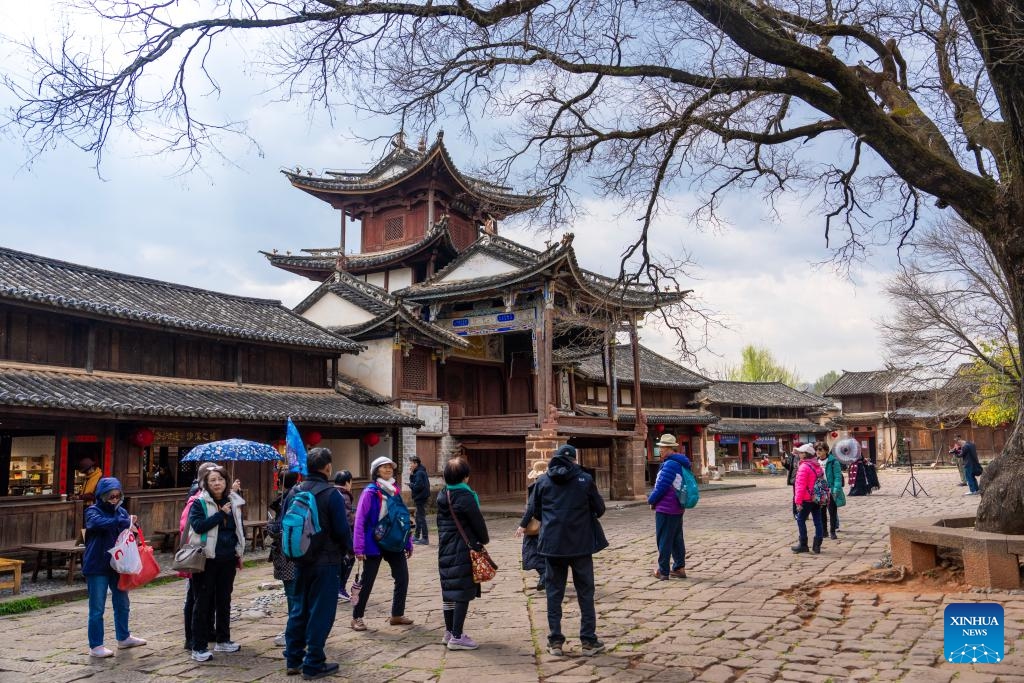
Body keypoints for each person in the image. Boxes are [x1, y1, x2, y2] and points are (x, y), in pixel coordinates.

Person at [530, 444, 608, 658]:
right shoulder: (584, 480)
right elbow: (600, 509)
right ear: (574, 459)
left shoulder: (542, 481)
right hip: (581, 544)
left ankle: (555, 641)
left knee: (554, 593)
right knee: (585, 592)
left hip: (553, 546)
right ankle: (589, 641)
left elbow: (536, 511)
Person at [283, 447, 353, 680]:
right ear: (327, 467)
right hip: (326, 561)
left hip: (299, 559)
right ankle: (314, 663)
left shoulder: (294, 491)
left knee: (298, 608)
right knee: (320, 612)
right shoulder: (331, 494)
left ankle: (293, 658)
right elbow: (342, 530)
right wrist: (349, 549)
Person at [83, 477, 147, 657]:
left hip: (118, 565)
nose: (114, 498)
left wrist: (133, 525)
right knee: (97, 608)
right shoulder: (92, 511)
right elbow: (97, 524)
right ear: (101, 495)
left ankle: (124, 637)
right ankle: (96, 646)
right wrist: (124, 522)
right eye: (110, 495)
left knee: (122, 602)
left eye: (117, 495)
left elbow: (127, 532)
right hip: (97, 565)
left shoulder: (122, 512)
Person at [188, 465, 246, 662]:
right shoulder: (200, 503)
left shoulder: (234, 501)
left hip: (228, 557)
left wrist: (239, 551)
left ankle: (223, 639)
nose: (217, 483)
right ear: (206, 483)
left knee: (224, 600)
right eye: (212, 480)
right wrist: (220, 514)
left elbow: (238, 528)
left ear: (226, 481)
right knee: (202, 602)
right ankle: (199, 646)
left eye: (220, 479)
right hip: (207, 558)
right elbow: (197, 526)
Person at [351, 456, 414, 631]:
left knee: (402, 577)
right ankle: (357, 617)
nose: (388, 469)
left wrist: (408, 542)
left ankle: (397, 614)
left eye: (390, 467)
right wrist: (359, 547)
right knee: (367, 580)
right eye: (384, 467)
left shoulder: (395, 490)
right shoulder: (370, 492)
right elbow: (360, 520)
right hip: (373, 541)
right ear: (376, 471)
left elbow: (402, 518)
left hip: (394, 540)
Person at [436, 457, 490, 651]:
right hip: (462, 549)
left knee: (449, 592)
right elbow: (478, 523)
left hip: (445, 548)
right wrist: (483, 540)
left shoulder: (443, 494)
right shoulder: (465, 496)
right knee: (462, 593)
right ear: (465, 477)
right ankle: (457, 636)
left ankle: (449, 632)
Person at [180, 462, 217, 652]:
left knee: (208, 596)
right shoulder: (196, 500)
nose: (217, 481)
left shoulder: (214, 498)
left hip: (210, 555)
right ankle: (191, 637)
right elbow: (188, 528)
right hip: (197, 554)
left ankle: (208, 630)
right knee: (194, 598)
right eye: (214, 478)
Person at [646, 433, 688, 580]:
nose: (660, 450)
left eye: (662, 447)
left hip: (666, 507)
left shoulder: (670, 464)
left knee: (664, 539)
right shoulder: (679, 463)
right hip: (676, 507)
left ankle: (663, 570)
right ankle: (679, 567)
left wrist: (651, 500)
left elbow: (661, 486)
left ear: (670, 448)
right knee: (676, 538)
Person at [268, 470, 300, 647]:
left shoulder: (289, 498)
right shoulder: (295, 495)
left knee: (293, 594)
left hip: (287, 552)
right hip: (296, 552)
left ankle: (293, 631)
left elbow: (281, 528)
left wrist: (271, 526)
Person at [515, 459, 549, 591]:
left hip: (537, 525)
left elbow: (531, 508)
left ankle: (545, 575)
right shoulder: (551, 484)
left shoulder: (537, 486)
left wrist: (522, 525)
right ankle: (546, 576)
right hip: (550, 523)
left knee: (532, 552)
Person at [792, 445, 825, 554]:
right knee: (818, 521)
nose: (799, 455)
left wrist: (798, 502)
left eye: (801, 453)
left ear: (805, 454)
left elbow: (800, 486)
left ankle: (803, 544)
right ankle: (817, 545)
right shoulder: (817, 465)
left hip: (806, 499)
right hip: (816, 498)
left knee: (800, 519)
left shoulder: (804, 467)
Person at [333, 469, 357, 600]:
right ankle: (340, 588)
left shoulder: (331, 492)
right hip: (341, 536)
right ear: (348, 482)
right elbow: (347, 520)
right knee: (349, 559)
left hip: (330, 536)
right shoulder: (344, 495)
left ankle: (336, 588)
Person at [815, 443, 843, 540]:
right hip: (820, 490)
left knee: (832, 512)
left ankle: (832, 531)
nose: (818, 452)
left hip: (830, 490)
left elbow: (838, 477)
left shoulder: (833, 461)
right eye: (816, 450)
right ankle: (824, 531)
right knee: (821, 512)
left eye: (820, 449)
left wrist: (836, 489)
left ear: (826, 450)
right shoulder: (815, 462)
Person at [408, 454, 431, 545]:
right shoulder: (418, 472)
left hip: (421, 497)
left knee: (421, 517)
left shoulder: (420, 472)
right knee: (418, 516)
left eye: (411, 463)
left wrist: (410, 485)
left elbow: (418, 486)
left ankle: (425, 538)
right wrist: (411, 474)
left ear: (416, 464)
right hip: (420, 496)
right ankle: (417, 536)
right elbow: (415, 482)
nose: (410, 465)